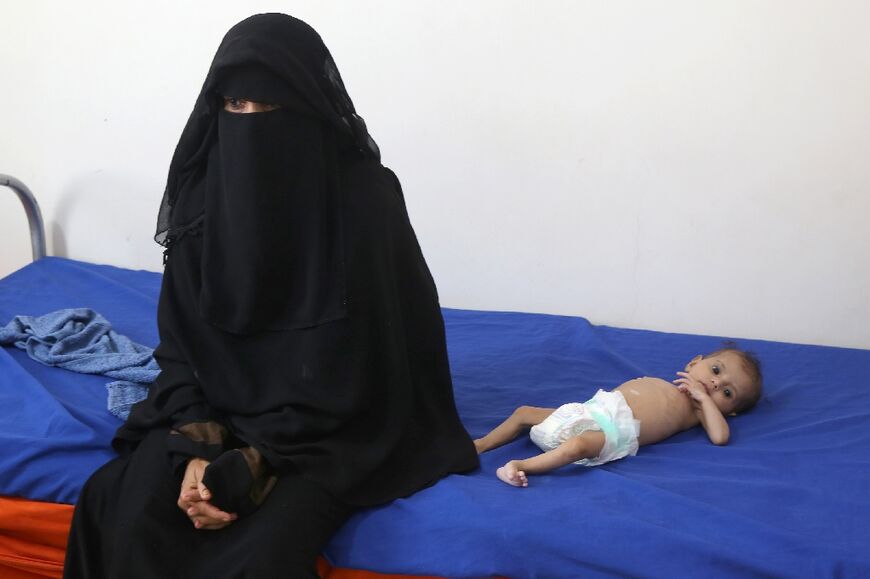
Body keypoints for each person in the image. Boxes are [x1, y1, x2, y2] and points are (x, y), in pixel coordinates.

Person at [63, 13, 478, 578]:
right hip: (216, 408)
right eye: (236, 105)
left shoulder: (364, 200)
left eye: (270, 106)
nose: (250, 122)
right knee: (123, 513)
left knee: (258, 557)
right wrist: (198, 449)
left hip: (333, 429)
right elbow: (181, 348)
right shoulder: (202, 199)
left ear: (307, 108)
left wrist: (255, 463)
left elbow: (369, 372)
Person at [474, 347, 762, 487]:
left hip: (617, 432)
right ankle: (480, 445)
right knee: (524, 412)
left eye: (727, 393)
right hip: (592, 409)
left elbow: (720, 436)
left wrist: (705, 401)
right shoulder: (668, 385)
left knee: (578, 446)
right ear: (693, 363)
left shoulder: (699, 411)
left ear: (730, 412)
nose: (715, 384)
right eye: (715, 370)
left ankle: (519, 466)